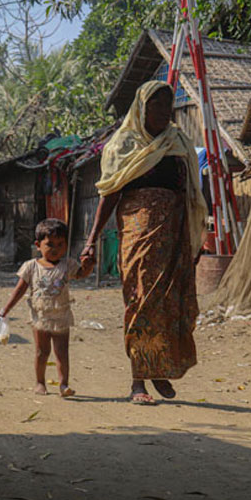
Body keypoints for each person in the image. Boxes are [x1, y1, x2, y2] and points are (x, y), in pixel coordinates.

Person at [81, 80, 207, 405]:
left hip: (174, 235)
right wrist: (91, 240)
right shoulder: (123, 145)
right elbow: (109, 194)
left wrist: (193, 238)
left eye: (168, 106)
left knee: (169, 302)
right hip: (138, 236)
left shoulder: (178, 143)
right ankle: (138, 380)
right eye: (156, 105)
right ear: (141, 108)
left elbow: (191, 193)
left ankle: (158, 367)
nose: (164, 112)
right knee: (140, 301)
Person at [0, 218, 94, 397]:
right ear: (38, 245)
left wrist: (89, 265)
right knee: (42, 352)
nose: (55, 249)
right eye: (50, 244)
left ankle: (64, 385)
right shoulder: (31, 267)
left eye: (60, 244)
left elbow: (81, 274)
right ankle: (40, 382)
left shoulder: (68, 265)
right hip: (40, 317)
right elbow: (19, 290)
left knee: (62, 352)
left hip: (61, 316)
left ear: (66, 245)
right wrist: (6, 309)